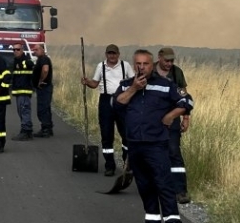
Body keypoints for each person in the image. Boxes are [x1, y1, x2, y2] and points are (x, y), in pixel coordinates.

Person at [114, 49, 194, 223]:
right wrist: (134, 88)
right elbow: (117, 104)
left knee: (164, 184)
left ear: (153, 65)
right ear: (134, 65)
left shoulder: (165, 84)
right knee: (144, 186)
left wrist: (170, 116)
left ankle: (172, 219)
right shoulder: (126, 85)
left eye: (145, 64)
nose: (142, 67)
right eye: (138, 64)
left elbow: (187, 101)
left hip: (156, 145)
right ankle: (152, 219)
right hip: (135, 145)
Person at [81, 44, 135, 176]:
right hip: (106, 101)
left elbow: (134, 82)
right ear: (106, 54)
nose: (112, 56)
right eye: (110, 53)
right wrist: (87, 82)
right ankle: (109, 165)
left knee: (126, 133)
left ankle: (127, 163)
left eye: (114, 53)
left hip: (123, 101)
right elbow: (95, 83)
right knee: (106, 134)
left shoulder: (125, 66)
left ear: (118, 54)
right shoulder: (101, 66)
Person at [156, 47, 191, 204]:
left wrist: (186, 117)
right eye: (166, 61)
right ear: (159, 58)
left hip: (172, 118)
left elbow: (184, 97)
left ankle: (180, 190)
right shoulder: (149, 71)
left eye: (171, 61)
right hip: (153, 120)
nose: (169, 63)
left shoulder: (177, 73)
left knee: (174, 152)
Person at [10, 43, 35, 141]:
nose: (16, 51)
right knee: (21, 111)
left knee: (24, 110)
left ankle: (26, 131)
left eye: (18, 49)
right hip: (18, 91)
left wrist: (21, 64)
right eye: (14, 50)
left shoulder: (26, 60)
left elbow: (30, 64)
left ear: (22, 50)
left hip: (24, 91)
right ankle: (27, 131)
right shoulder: (15, 61)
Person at [31, 44, 54, 138]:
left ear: (42, 50)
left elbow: (45, 70)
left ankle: (46, 129)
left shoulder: (44, 59)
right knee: (45, 108)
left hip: (44, 88)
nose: (34, 51)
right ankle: (48, 128)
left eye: (36, 49)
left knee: (42, 109)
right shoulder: (40, 59)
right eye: (34, 50)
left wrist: (40, 81)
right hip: (44, 88)